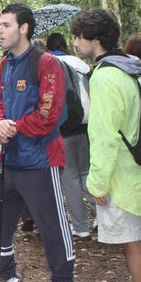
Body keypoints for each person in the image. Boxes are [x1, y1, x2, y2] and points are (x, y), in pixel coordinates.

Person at [0, 4, 76, 282]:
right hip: (9, 160)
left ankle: (63, 281)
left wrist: (14, 127)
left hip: (41, 160)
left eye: (5, 25)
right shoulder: (5, 65)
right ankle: (6, 276)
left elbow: (49, 114)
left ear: (24, 28)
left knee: (50, 222)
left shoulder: (46, 64)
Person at [71, 10, 141, 282]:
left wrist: (96, 183)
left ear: (94, 39)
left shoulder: (105, 76)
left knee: (131, 239)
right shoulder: (135, 68)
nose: (76, 43)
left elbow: (104, 135)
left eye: (78, 37)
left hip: (121, 173)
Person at [46, 32, 94, 239]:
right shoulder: (81, 64)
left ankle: (81, 227)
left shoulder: (49, 64)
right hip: (87, 125)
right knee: (86, 173)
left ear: (48, 48)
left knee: (70, 178)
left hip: (63, 130)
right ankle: (102, 218)